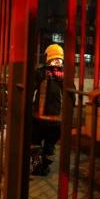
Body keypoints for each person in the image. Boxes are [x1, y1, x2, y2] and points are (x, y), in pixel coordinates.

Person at [31, 44, 74, 176]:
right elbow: (71, 97)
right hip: (57, 121)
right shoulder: (66, 75)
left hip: (39, 118)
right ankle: (45, 167)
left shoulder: (41, 72)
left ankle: (36, 162)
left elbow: (30, 88)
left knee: (35, 140)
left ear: (48, 56)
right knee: (50, 144)